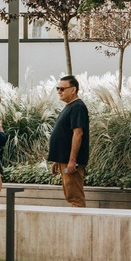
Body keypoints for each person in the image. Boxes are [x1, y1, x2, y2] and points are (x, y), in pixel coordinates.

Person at [47, 75, 90, 207]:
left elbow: (78, 133)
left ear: (73, 90)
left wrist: (72, 160)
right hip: (64, 160)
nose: (59, 91)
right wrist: (58, 160)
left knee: (75, 197)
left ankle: (79, 220)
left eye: (62, 89)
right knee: (70, 195)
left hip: (71, 162)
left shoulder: (77, 107)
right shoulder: (70, 106)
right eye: (58, 89)